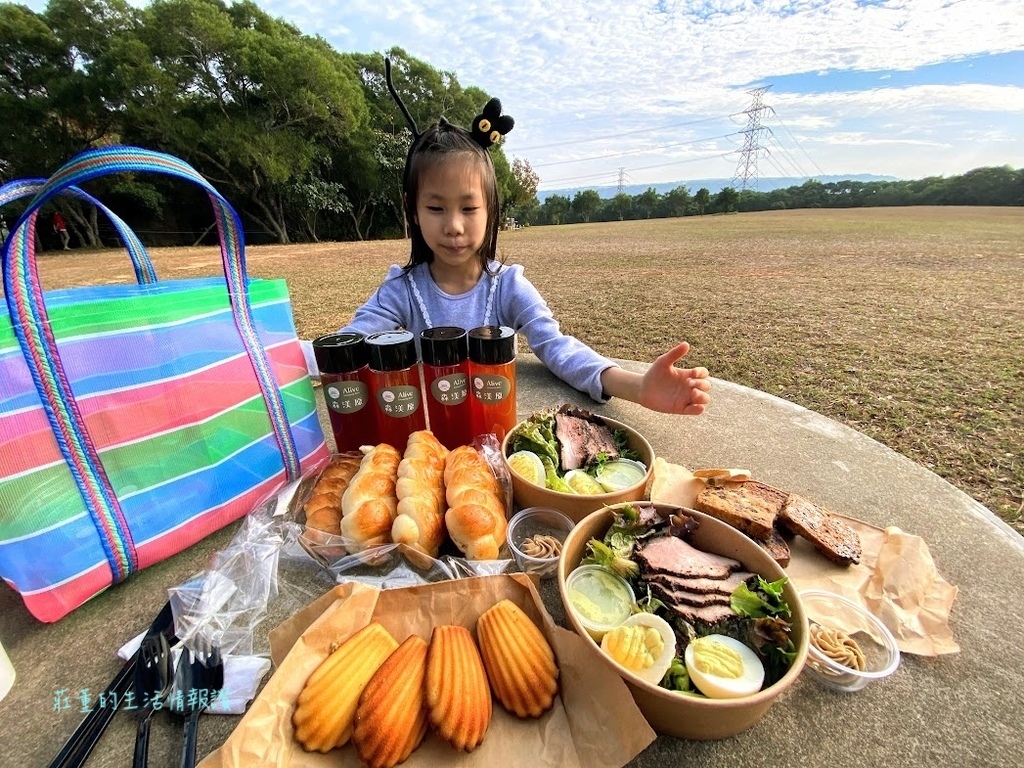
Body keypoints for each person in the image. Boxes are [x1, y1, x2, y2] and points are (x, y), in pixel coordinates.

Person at [312, 60, 711, 417]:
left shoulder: (507, 287)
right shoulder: (401, 290)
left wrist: (637, 387)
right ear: (413, 211)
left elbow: (556, 347)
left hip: (495, 438)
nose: (454, 226)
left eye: (469, 208)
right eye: (436, 208)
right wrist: (289, 362)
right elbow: (354, 341)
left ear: (491, 210)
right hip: (425, 444)